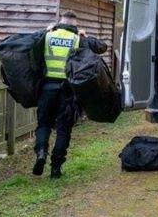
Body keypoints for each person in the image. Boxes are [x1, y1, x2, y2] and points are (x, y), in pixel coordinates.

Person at [32, 10, 107, 179]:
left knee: (43, 124)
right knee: (63, 129)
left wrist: (46, 30)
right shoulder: (77, 39)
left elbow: (29, 42)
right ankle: (56, 168)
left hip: (47, 89)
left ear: (60, 22)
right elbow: (102, 47)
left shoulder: (47, 36)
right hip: (68, 91)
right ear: (74, 25)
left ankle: (41, 152)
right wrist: (85, 36)